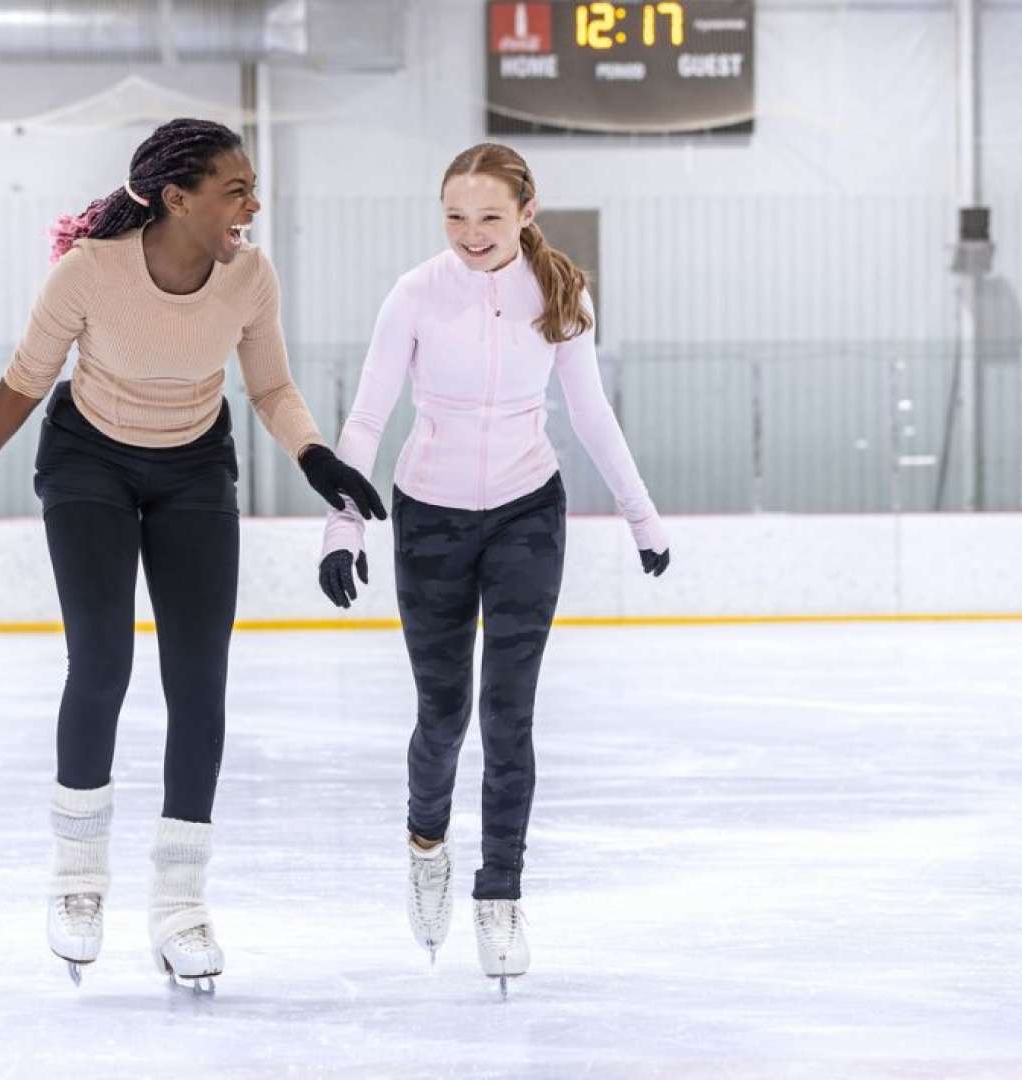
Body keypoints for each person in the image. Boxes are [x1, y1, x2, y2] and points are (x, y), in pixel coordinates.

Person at [0, 118, 384, 991]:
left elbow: (271, 385)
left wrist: (316, 458)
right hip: (89, 459)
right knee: (100, 661)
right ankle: (78, 881)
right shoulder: (90, 272)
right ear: (177, 198)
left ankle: (179, 903)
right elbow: (25, 380)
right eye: (234, 189)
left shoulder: (250, 276)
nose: (253, 202)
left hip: (195, 466)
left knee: (199, 679)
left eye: (251, 185)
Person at [314, 143, 670, 995]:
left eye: (488, 217)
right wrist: (343, 527)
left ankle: (500, 891)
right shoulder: (414, 295)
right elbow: (365, 417)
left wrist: (641, 515)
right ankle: (426, 845)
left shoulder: (560, 294)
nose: (471, 234)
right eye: (454, 216)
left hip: (526, 514)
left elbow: (590, 415)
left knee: (509, 716)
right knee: (444, 715)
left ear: (525, 211)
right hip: (428, 517)